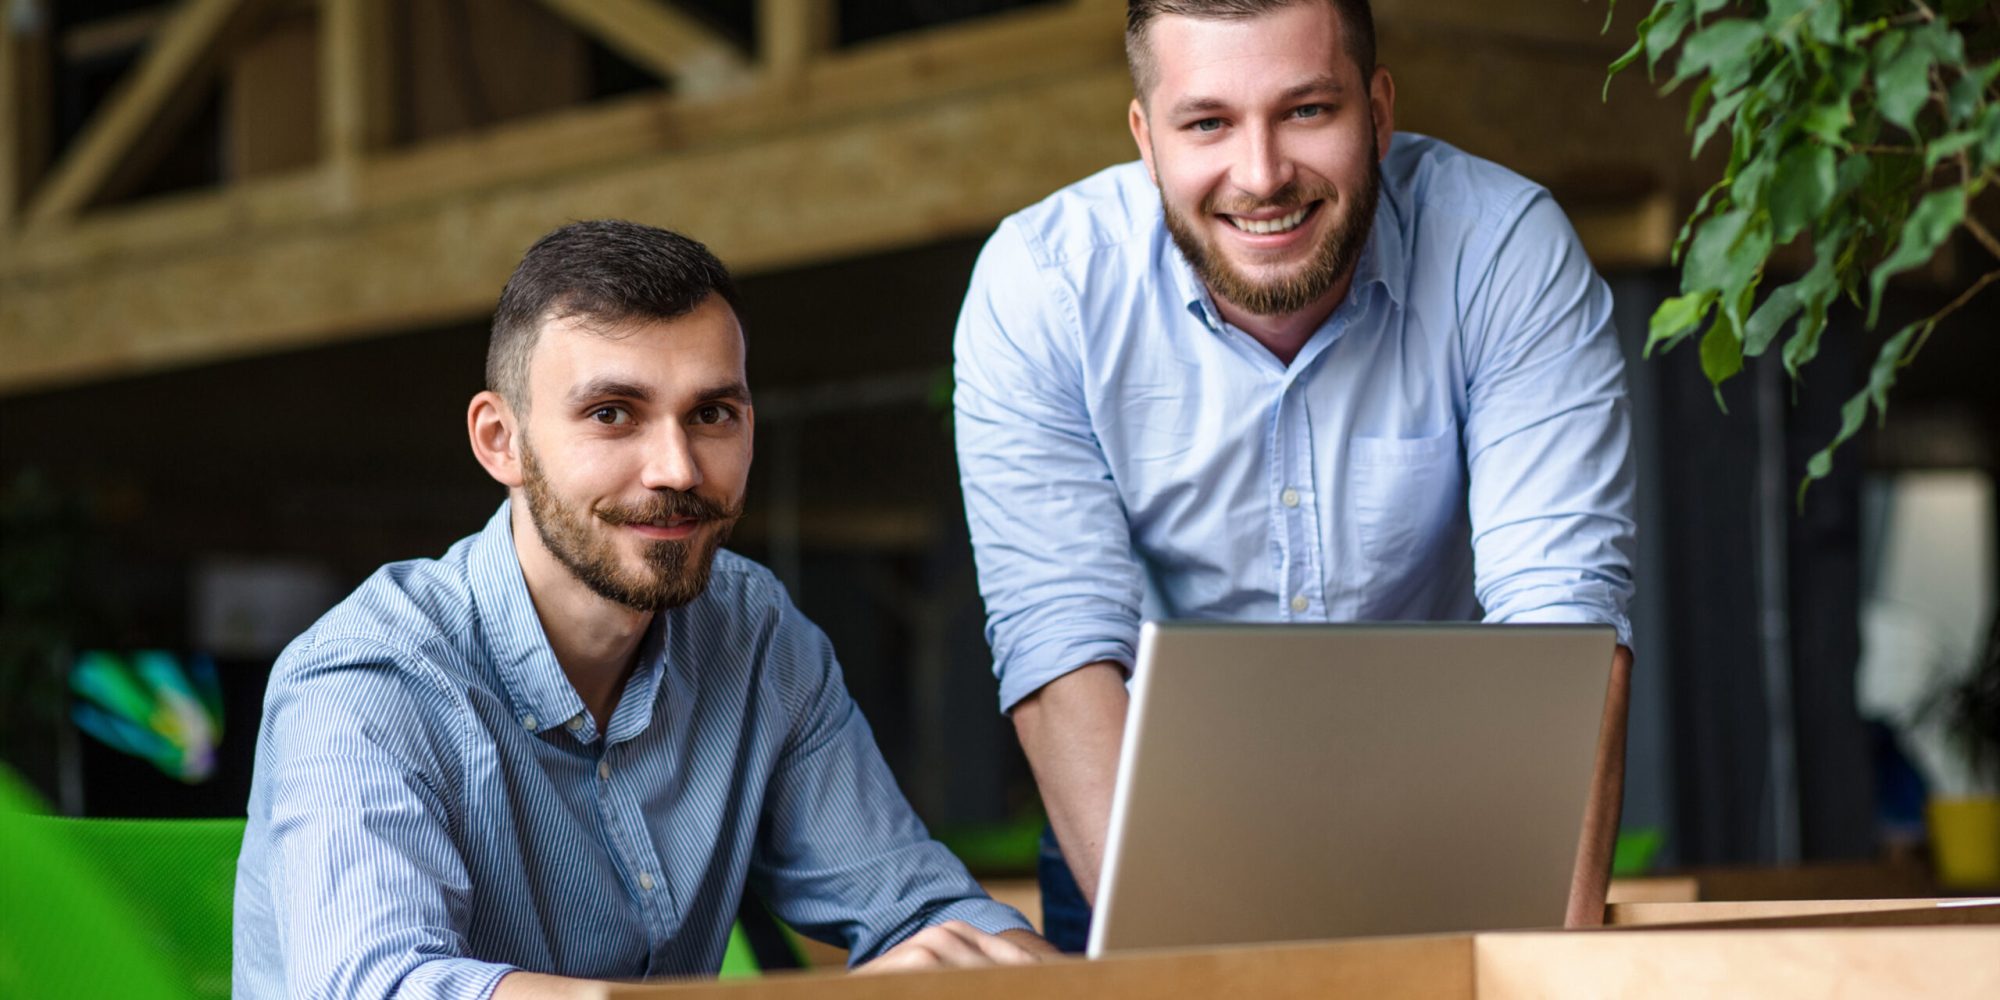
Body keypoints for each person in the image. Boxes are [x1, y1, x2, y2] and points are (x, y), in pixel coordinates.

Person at [953, 0, 1637, 952]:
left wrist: (1550, 973)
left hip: (1452, 833)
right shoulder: (1043, 289)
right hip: (1144, 837)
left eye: (1307, 111)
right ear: (1147, 139)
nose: (1263, 174)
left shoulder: (1501, 248)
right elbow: (1060, 647)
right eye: (1208, 123)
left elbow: (1565, 622)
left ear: (1379, 110)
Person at [234, 221, 1054, 999]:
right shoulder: (368, 680)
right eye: (611, 414)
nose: (677, 468)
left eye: (711, 414)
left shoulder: (753, 633)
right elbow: (377, 986)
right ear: (500, 441)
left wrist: (1007, 961)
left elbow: (917, 909)